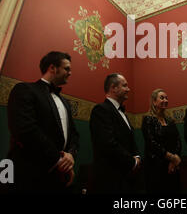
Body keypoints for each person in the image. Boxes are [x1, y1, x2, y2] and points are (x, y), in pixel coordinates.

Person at [6, 51, 79, 193]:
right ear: (53, 68)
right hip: (28, 175)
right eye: (67, 68)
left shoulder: (65, 102)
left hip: (58, 178)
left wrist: (70, 155)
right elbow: (25, 130)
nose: (70, 73)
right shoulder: (24, 90)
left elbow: (74, 135)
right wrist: (58, 161)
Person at [89, 73, 141, 193]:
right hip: (110, 179)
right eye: (125, 86)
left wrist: (137, 157)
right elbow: (107, 143)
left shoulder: (124, 114)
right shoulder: (101, 110)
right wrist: (132, 162)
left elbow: (131, 141)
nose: (128, 89)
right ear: (113, 87)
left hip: (127, 178)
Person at [141, 89, 182, 193]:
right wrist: (171, 157)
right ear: (154, 101)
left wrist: (174, 159)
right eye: (162, 98)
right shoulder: (148, 119)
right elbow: (151, 143)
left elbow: (178, 140)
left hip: (172, 166)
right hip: (155, 167)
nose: (165, 100)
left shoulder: (170, 120)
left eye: (166, 98)